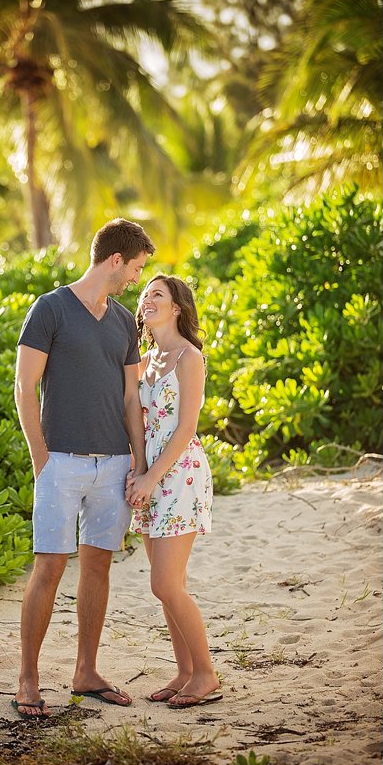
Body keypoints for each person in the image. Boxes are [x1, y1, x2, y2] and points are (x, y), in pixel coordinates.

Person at [12, 219, 153, 718]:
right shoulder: (49, 309)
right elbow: (25, 387)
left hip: (114, 464)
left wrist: (138, 463)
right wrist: (40, 458)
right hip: (61, 464)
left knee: (98, 566)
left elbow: (131, 395)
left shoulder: (122, 323)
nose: (138, 277)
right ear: (116, 260)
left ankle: (85, 672)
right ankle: (28, 678)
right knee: (49, 566)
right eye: (136, 267)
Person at [128, 274, 221, 709]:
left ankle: (205, 673)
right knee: (168, 585)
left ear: (177, 308)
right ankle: (184, 671)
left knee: (165, 584)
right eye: (145, 294)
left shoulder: (189, 356)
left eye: (157, 295)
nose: (147, 300)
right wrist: (138, 471)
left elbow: (185, 428)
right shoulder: (145, 360)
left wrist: (151, 477)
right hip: (148, 476)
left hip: (180, 473)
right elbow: (136, 422)